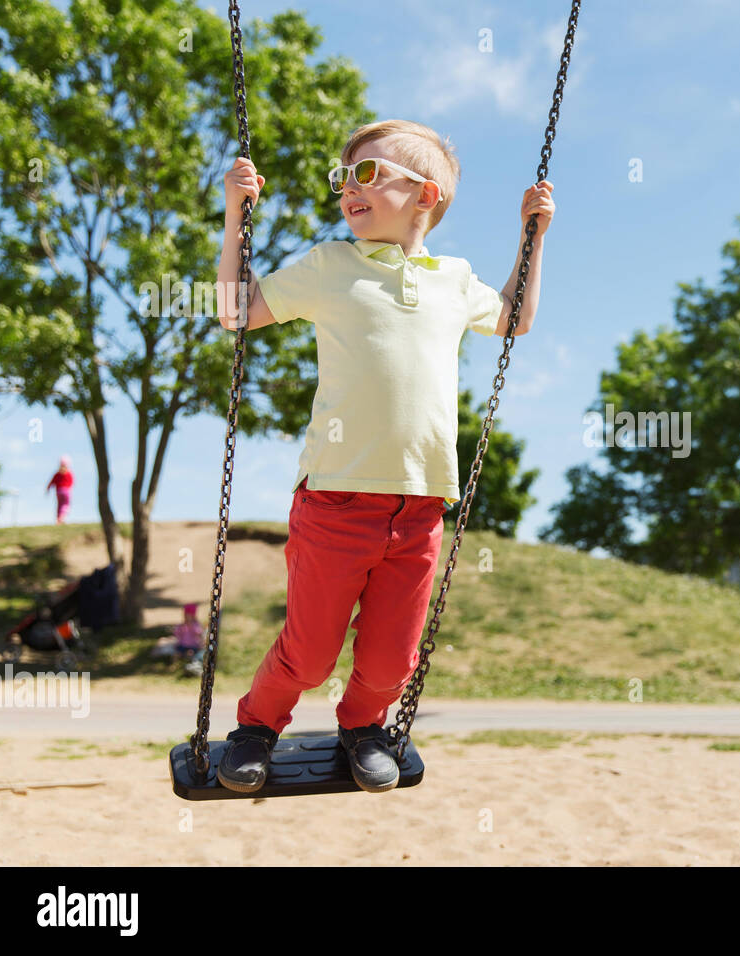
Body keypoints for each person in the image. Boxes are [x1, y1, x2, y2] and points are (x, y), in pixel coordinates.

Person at [213, 120, 554, 793]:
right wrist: (234, 212)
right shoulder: (329, 266)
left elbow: (514, 316)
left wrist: (532, 236)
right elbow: (235, 312)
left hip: (422, 503)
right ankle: (256, 725)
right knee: (309, 654)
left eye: (366, 174)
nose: (348, 189)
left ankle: (365, 725)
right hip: (335, 497)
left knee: (391, 659)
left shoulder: (454, 279)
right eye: (343, 178)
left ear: (424, 194)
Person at [46, 456, 74, 524]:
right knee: (65, 505)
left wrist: (48, 488)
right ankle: (61, 517)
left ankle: (58, 519)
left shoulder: (57, 474)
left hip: (58, 491)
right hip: (66, 492)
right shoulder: (69, 473)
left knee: (59, 505)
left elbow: (52, 482)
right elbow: (72, 482)